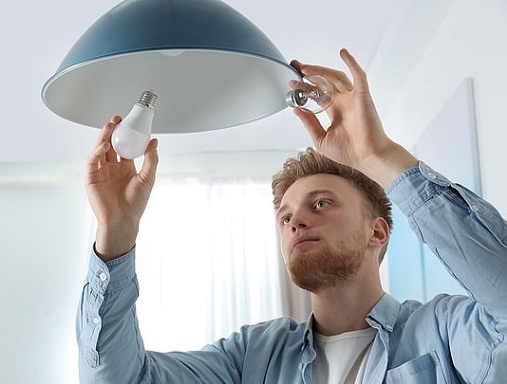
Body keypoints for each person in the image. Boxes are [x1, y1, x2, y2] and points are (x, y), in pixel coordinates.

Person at [79, 49, 507, 383]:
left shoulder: (443, 332)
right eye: (285, 218)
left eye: (321, 203)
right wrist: (116, 234)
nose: (296, 222)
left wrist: (380, 157)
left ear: (377, 231)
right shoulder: (252, 356)